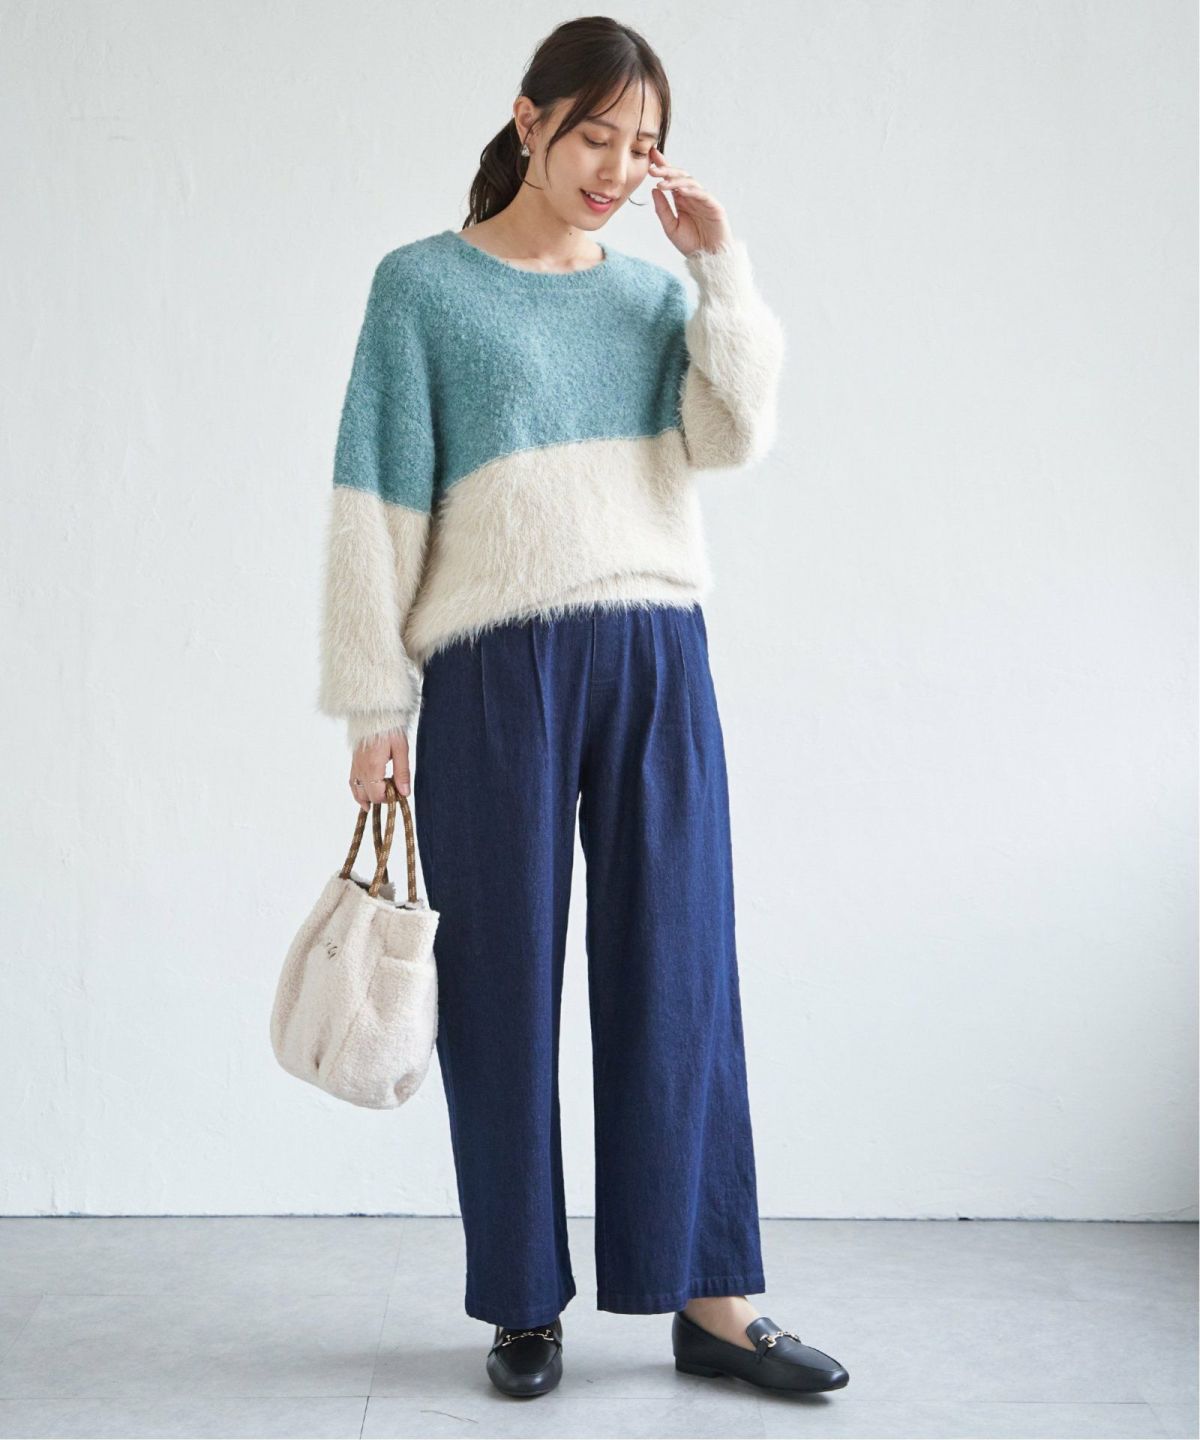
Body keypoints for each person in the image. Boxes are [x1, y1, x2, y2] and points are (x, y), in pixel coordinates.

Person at [316, 14, 849, 1403]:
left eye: (644, 144)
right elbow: (376, 505)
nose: (617, 167)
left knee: (682, 967)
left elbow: (734, 436)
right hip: (492, 667)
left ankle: (714, 1297)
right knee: (498, 983)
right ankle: (521, 1300)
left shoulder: (656, 298)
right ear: (530, 120)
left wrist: (719, 267)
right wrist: (374, 706)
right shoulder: (422, 288)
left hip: (657, 650)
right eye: (596, 135)